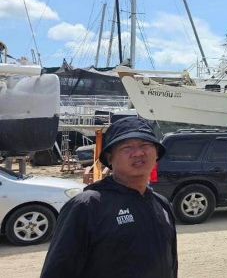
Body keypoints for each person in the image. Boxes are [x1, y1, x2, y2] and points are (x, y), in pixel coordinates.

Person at [41, 117, 177, 278]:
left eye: (145, 145)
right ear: (110, 158)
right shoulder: (87, 206)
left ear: (156, 154)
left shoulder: (162, 204)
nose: (138, 153)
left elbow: (171, 264)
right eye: (127, 147)